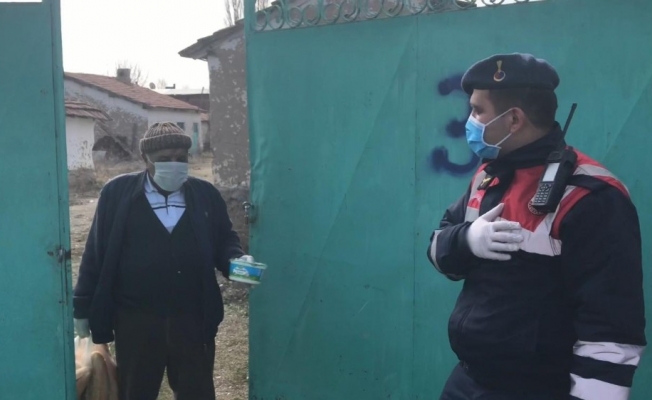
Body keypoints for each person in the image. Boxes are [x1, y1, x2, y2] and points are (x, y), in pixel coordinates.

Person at [427, 54, 646, 399]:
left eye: (478, 111)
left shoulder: (590, 197)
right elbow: (438, 249)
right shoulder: (487, 176)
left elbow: (610, 331)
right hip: (467, 381)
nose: (470, 121)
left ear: (514, 119)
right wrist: (467, 240)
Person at [73, 122, 251, 400]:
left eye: (181, 158)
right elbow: (96, 252)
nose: (174, 164)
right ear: (145, 159)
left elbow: (224, 241)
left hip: (193, 318)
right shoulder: (117, 194)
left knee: (197, 392)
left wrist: (239, 264)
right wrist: (82, 307)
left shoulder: (205, 194)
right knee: (136, 392)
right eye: (165, 158)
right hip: (135, 319)